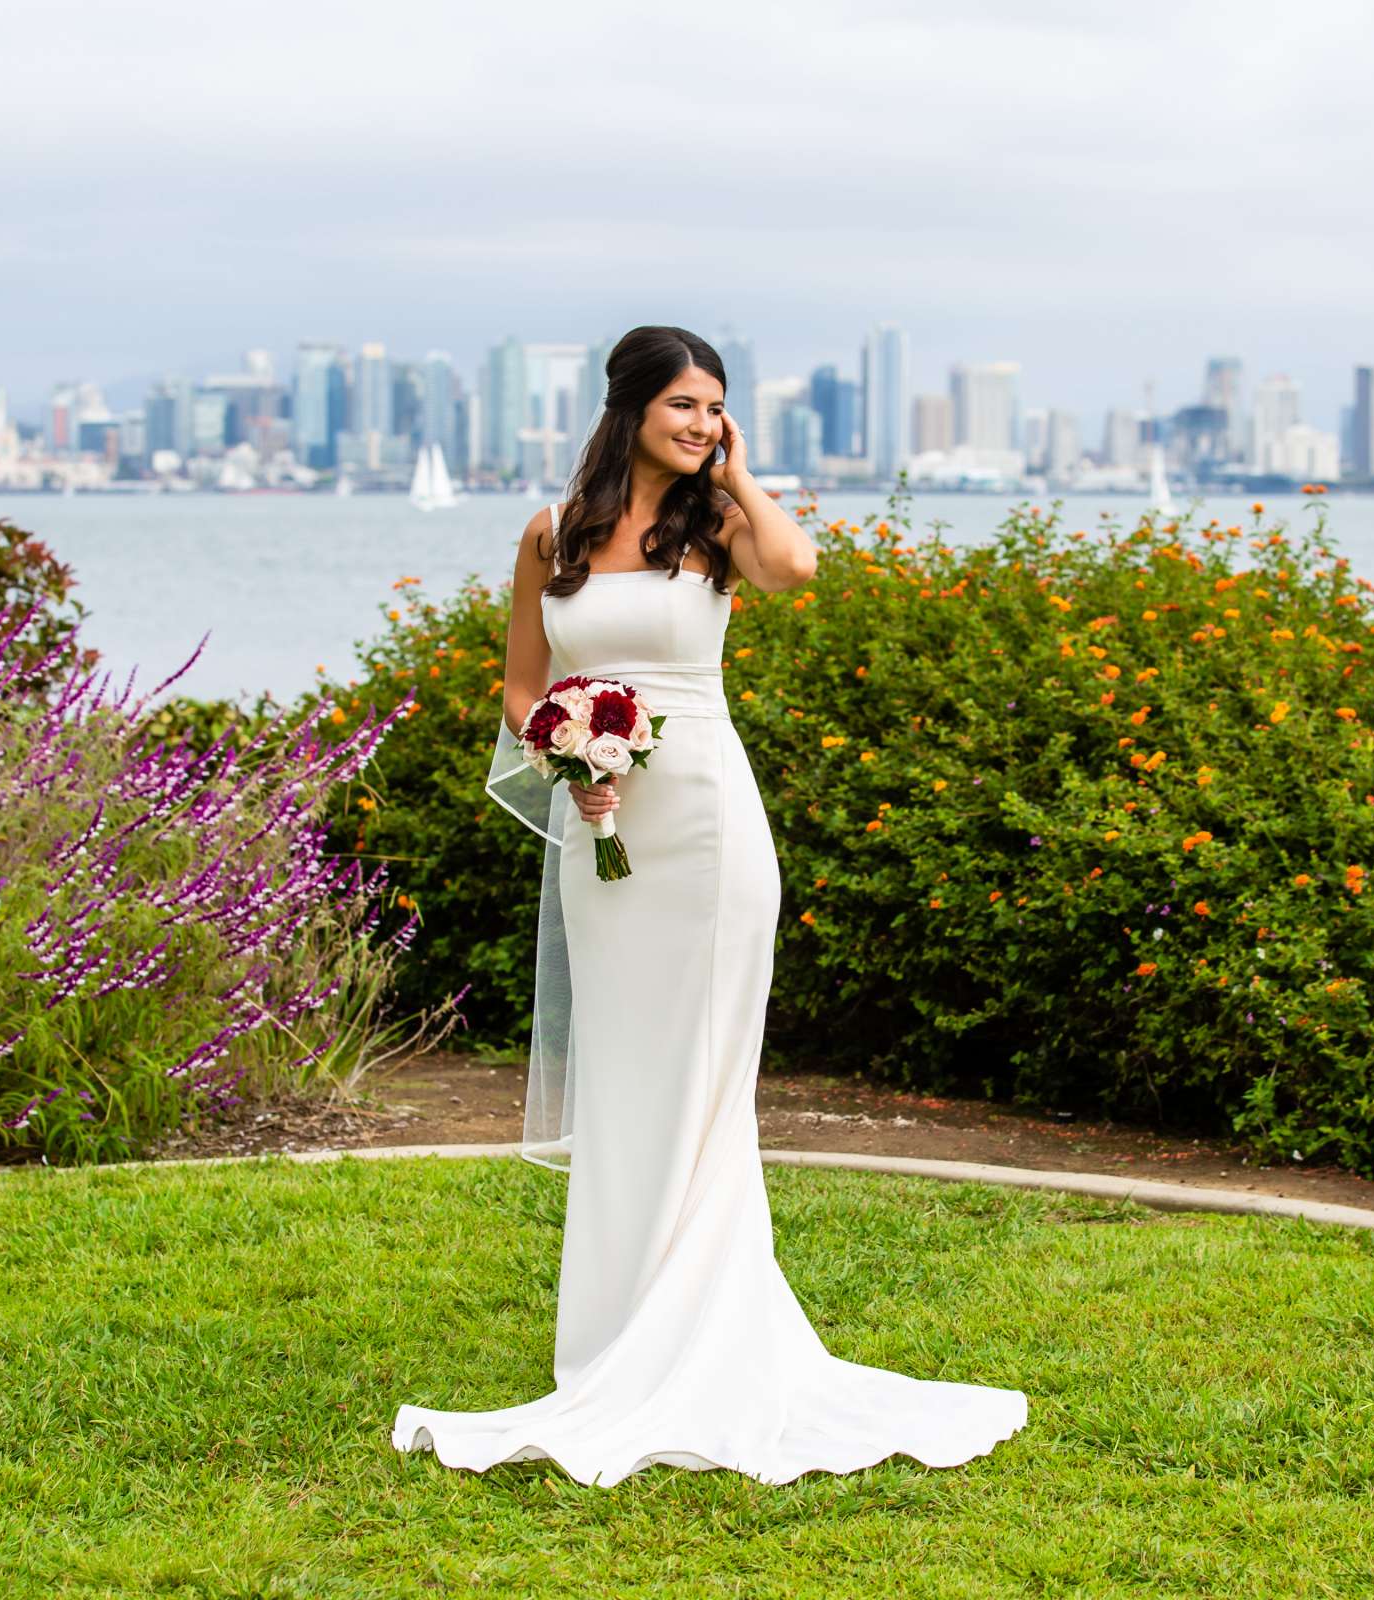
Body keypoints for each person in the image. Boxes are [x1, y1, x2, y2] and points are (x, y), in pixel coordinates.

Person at [389, 325, 1029, 1487]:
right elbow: (524, 682)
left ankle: (713, 1341)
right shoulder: (552, 533)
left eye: (714, 409)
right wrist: (569, 762)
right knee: (630, 1078)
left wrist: (734, 469)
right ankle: (615, 1339)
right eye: (683, 406)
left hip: (712, 833)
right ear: (630, 407)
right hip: (606, 830)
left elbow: (798, 572)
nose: (698, 424)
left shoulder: (717, 526)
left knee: (706, 1080)